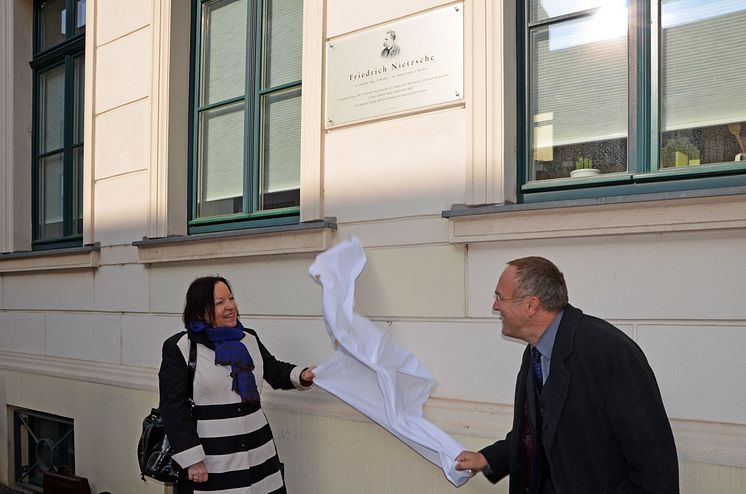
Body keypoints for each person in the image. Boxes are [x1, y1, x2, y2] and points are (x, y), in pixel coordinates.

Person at [455, 257, 679, 493]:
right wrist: (488, 458)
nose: (495, 306)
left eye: (500, 297)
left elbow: (654, 465)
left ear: (531, 306)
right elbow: (540, 432)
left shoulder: (608, 351)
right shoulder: (535, 352)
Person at [159, 276, 316, 494]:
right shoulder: (180, 347)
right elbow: (173, 407)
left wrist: (302, 374)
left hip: (258, 453)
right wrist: (192, 459)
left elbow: (272, 369)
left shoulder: (248, 338)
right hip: (212, 461)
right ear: (200, 308)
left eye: (231, 298)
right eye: (219, 302)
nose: (230, 306)